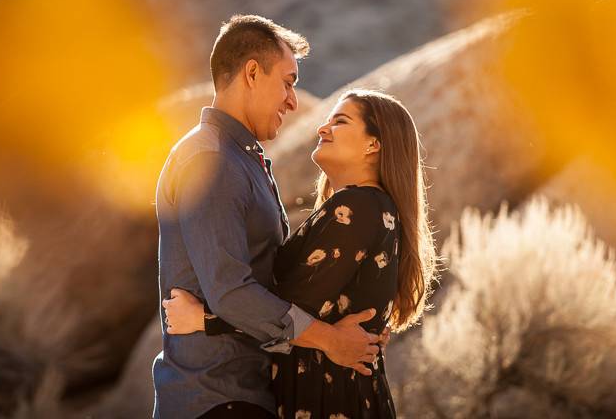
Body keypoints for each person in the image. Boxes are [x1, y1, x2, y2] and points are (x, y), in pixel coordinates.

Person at [153, 15, 383, 419]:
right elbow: (232, 291)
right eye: (288, 81)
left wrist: (206, 321)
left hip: (244, 394)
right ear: (253, 73)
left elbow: (269, 286)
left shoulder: (241, 158)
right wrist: (329, 340)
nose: (293, 101)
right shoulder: (212, 160)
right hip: (216, 398)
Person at [164, 89, 438, 419]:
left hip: (331, 399)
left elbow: (291, 303)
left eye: (340, 121)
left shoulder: (360, 206)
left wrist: (205, 320)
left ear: (373, 144)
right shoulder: (364, 208)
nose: (323, 128)